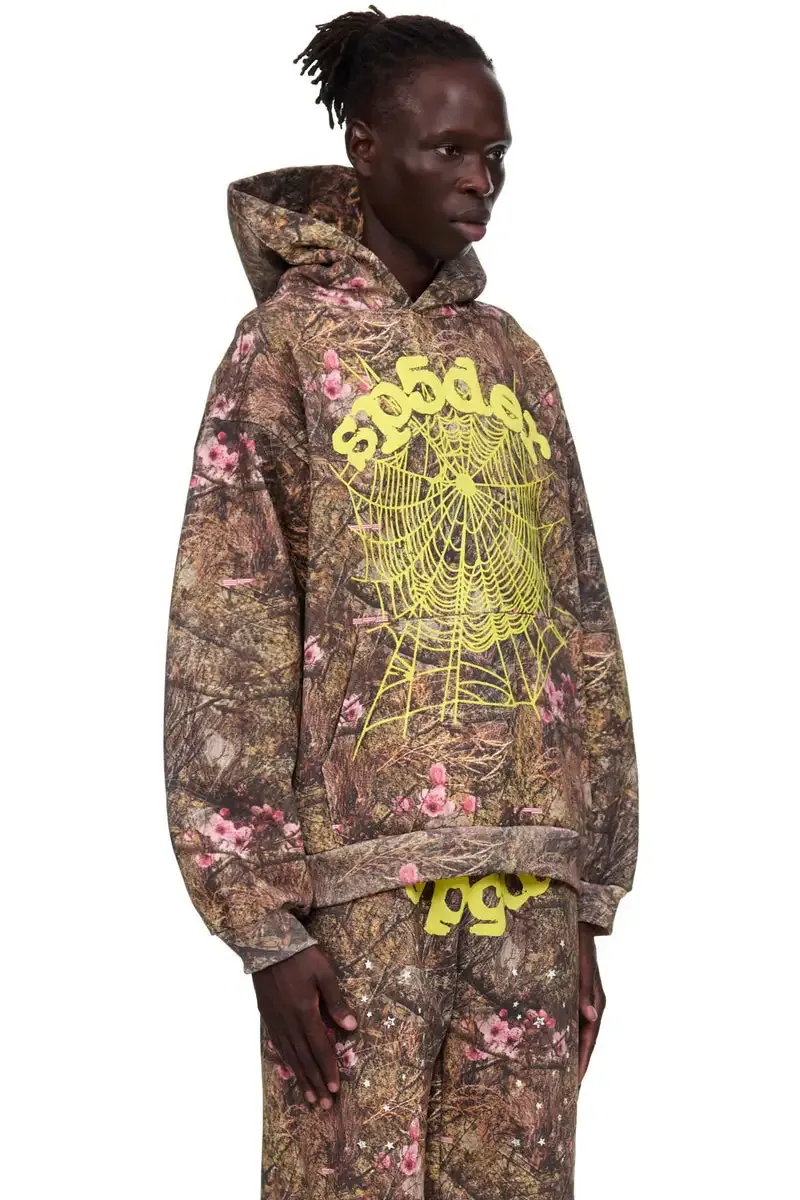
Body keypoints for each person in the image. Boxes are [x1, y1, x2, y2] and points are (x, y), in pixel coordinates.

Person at [163, 7, 639, 1197]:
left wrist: (586, 892)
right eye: (448, 150)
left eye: (495, 154)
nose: (480, 179)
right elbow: (229, 627)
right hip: (359, 897)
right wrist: (263, 926)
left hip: (527, 896)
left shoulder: (514, 358)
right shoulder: (283, 351)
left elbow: (577, 615)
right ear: (365, 146)